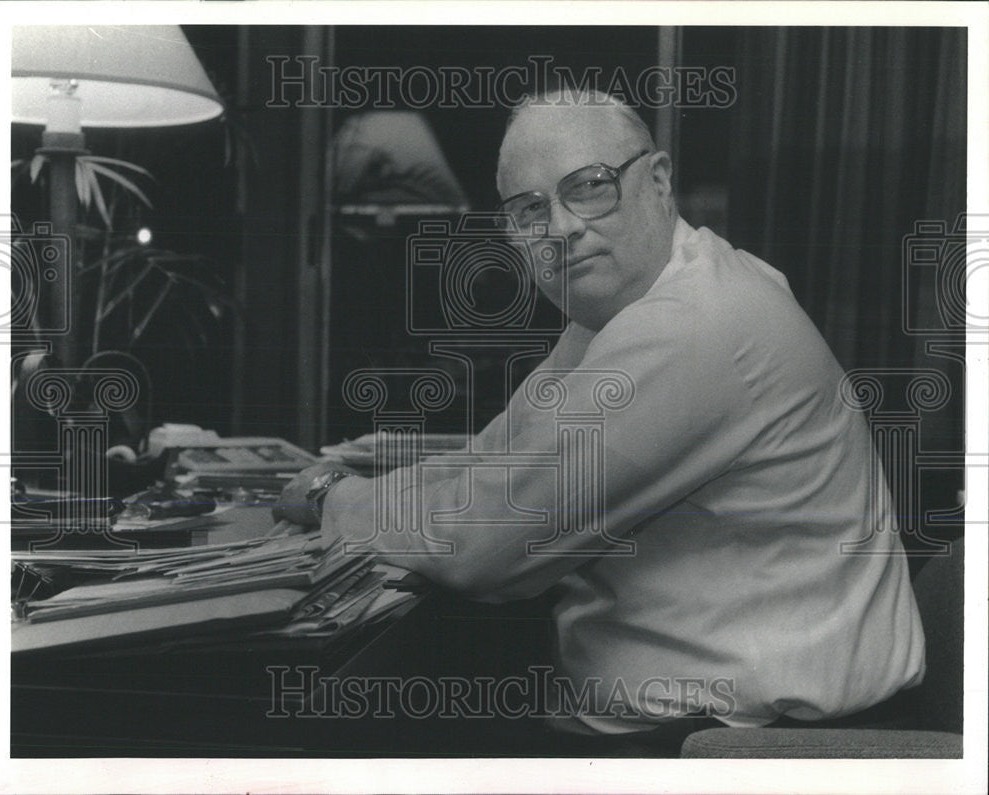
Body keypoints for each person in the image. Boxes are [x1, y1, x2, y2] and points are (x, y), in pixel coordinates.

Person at [275, 90, 925, 749]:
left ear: (659, 181)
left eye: (589, 187)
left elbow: (486, 547)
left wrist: (334, 498)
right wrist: (340, 488)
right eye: (530, 209)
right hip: (702, 714)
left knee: (337, 728)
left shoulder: (691, 325)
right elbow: (493, 462)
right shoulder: (631, 305)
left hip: (747, 743)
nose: (559, 228)